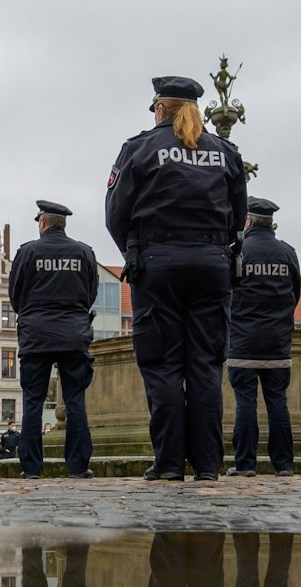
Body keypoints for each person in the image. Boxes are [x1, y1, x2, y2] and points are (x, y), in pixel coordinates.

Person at [106, 76, 248, 482]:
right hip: (211, 264)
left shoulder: (139, 149)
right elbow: (238, 217)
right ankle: (207, 464)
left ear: (161, 109)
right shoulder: (225, 152)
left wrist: (137, 251)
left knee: (163, 365)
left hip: (158, 264)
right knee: (205, 366)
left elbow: (116, 212)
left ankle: (169, 463)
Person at [10, 199, 99, 479]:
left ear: (44, 222)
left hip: (36, 336)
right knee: (75, 401)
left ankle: (32, 468)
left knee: (33, 402)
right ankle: (77, 466)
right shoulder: (84, 252)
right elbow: (91, 293)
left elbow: (15, 296)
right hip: (74, 334)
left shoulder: (27, 253)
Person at [225, 196, 301, 477]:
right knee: (277, 402)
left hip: (243, 341)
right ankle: (284, 464)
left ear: (248, 221)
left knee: (245, 402)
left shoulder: (238, 253)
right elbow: (295, 293)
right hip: (277, 343)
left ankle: (245, 464)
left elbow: (226, 292)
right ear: (271, 223)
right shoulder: (288, 253)